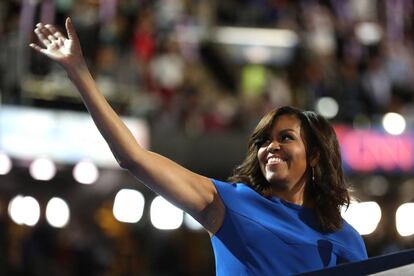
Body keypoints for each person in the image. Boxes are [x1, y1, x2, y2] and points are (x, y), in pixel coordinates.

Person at [30, 18, 368, 275]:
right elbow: (132, 157)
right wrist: (79, 73)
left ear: (314, 155)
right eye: (264, 140)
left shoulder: (347, 239)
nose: (270, 147)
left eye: (286, 138)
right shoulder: (228, 203)